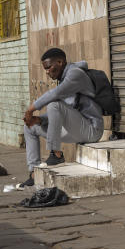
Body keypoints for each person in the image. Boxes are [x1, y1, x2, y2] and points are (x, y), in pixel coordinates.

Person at [20, 48, 104, 187]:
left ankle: (56, 154)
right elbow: (64, 110)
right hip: (76, 129)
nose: (47, 72)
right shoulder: (65, 78)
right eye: (45, 69)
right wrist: (40, 120)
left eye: (49, 67)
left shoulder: (75, 74)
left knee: (54, 104)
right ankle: (33, 173)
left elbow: (56, 94)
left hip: (92, 129)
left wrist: (31, 109)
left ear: (60, 62)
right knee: (30, 127)